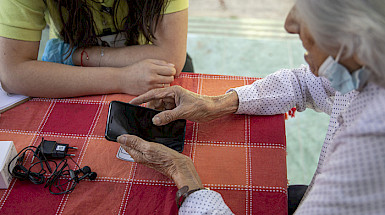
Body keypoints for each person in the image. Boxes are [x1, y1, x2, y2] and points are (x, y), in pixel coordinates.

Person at [117, 0, 385, 214]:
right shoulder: (365, 61)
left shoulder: (372, 139)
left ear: (353, 36)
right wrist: (215, 104)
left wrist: (183, 176)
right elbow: (304, 83)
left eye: (309, 8)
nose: (289, 23)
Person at [0, 0, 188, 98]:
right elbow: (12, 74)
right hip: (73, 76)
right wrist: (121, 78)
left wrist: (76, 55)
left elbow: (170, 57)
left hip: (148, 73)